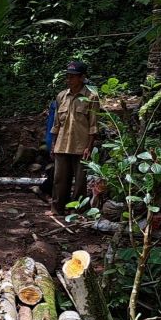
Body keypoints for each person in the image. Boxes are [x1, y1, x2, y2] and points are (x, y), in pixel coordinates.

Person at [49, 60, 99, 215]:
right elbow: (56, 123)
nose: (69, 79)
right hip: (62, 145)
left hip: (81, 146)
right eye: (68, 76)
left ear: (82, 77)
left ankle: (76, 210)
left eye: (73, 76)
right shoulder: (61, 96)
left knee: (80, 182)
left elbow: (93, 125)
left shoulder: (91, 97)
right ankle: (57, 208)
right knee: (59, 180)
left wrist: (89, 147)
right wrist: (53, 144)